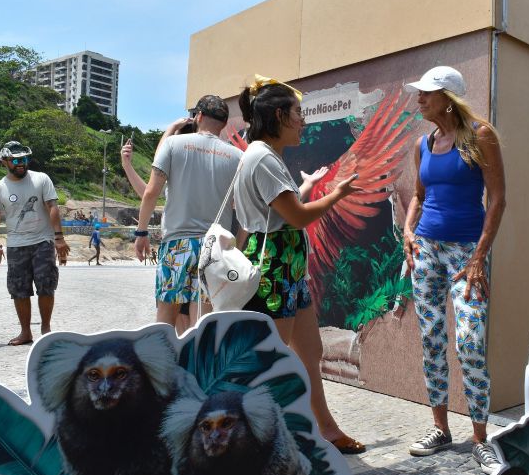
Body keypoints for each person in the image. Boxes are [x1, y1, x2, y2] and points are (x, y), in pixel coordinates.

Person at [233, 75, 365, 454]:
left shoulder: (264, 156)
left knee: (309, 350)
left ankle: (324, 427)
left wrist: (307, 188)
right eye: (297, 113)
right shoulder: (262, 157)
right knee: (271, 357)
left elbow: (284, 209)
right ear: (279, 115)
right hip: (276, 267)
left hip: (288, 266)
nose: (302, 121)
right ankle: (259, 438)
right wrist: (337, 193)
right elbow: (298, 218)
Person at [402, 66, 506, 474]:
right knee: (431, 339)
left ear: (448, 97)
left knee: (470, 343)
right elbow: (419, 196)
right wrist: (408, 231)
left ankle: (480, 439)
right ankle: (441, 429)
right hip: (425, 250)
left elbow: (497, 199)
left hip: (467, 255)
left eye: (427, 93)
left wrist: (480, 256)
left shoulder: (480, 137)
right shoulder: (422, 144)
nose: (419, 99)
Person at [134, 95, 242, 333]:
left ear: (198, 117)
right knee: (201, 323)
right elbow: (242, 210)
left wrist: (141, 232)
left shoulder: (173, 145)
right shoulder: (237, 157)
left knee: (165, 316)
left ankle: (160, 367)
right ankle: (197, 370)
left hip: (177, 244)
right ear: (224, 124)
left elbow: (151, 192)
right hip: (215, 248)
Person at [0, 141, 70, 346]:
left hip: (43, 240)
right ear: (4, 161)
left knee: (46, 285)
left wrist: (58, 238)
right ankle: (25, 332)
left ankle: (46, 329)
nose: (20, 164)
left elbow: (52, 207)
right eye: (15, 160)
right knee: (19, 289)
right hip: (15, 244)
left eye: (23, 159)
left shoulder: (41, 179)